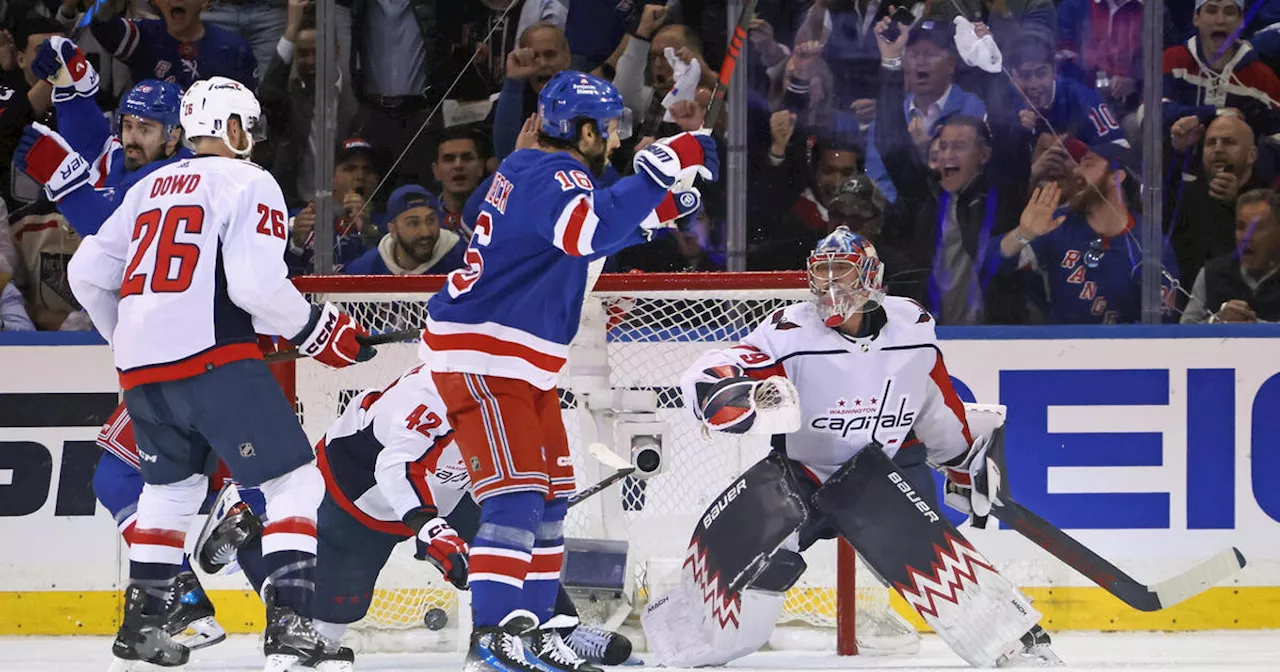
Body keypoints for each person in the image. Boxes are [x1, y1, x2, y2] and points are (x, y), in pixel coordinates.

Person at [66, 76, 374, 670]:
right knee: (294, 484)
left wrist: (130, 341)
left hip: (143, 376)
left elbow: (86, 274)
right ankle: (289, 628)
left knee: (168, 492)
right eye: (247, 128)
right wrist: (320, 331)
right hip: (214, 361)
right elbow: (257, 286)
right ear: (232, 127)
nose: (251, 139)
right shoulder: (249, 180)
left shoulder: (148, 186)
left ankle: (144, 623)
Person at [643, 227, 1057, 668]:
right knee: (732, 553)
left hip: (883, 473)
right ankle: (691, 635)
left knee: (934, 560)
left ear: (871, 277)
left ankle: (1018, 646)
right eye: (821, 273)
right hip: (801, 473)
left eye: (841, 271)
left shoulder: (911, 326)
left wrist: (961, 459)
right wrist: (727, 391)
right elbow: (723, 365)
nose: (830, 284)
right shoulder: (789, 332)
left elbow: (934, 398)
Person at [422, 69, 716, 672]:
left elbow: (593, 232)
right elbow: (589, 231)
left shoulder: (541, 172)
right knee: (516, 498)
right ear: (581, 131)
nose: (613, 140)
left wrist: (667, 202)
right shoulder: (552, 173)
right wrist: (662, 167)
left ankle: (539, 631)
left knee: (552, 501)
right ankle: (493, 637)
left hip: (519, 362)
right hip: (486, 357)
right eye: (608, 129)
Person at [196, 362, 637, 668]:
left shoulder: (511, 387)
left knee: (509, 540)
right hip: (356, 498)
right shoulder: (429, 394)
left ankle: (558, 628)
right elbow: (397, 468)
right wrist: (433, 529)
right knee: (325, 629)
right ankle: (252, 532)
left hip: (443, 492)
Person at [993, 139, 1179, 324]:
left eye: (1088, 164)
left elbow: (1162, 329)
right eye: (1079, 164)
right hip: (1058, 349)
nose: (1076, 171)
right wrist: (1023, 233)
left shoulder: (1151, 244)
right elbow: (990, 265)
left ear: (1117, 177)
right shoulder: (1059, 222)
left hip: (1121, 351)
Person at [1170, 112, 1270, 286]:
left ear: (1252, 155)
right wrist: (1177, 150)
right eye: (1210, 143)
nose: (1218, 149)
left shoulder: (1271, 201)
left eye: (1229, 142)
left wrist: (1235, 203)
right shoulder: (1187, 196)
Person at [90, 0, 259, 89]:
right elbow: (102, 26)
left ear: (205, 2)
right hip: (154, 147)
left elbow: (253, 118)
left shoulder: (234, 49)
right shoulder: (143, 37)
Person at [1182, 188, 1280, 323]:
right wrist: (1217, 321)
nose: (1246, 236)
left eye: (1257, 228)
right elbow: (1183, 333)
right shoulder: (1211, 273)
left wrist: (1255, 327)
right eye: (1241, 227)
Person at [342, 185, 467, 275]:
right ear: (393, 230)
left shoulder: (462, 260)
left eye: (431, 221)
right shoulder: (366, 269)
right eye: (413, 223)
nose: (425, 232)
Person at [431, 129, 488, 240]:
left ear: (481, 167)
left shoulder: (499, 215)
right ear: (436, 171)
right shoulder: (425, 220)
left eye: (467, 158)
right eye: (449, 159)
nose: (458, 165)